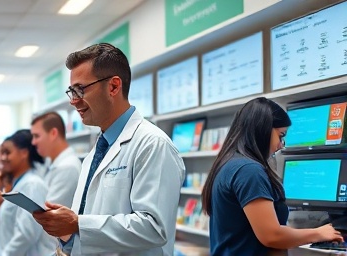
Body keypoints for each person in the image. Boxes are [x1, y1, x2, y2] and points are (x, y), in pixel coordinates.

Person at [32, 43, 185, 256]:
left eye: (80, 90)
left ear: (113, 87)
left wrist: (78, 223)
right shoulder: (98, 149)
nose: (74, 101)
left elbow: (154, 227)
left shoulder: (152, 144)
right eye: (71, 91)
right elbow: (94, 231)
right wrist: (68, 234)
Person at [201, 97, 343, 255]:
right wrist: (319, 233)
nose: (281, 145)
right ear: (263, 130)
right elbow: (271, 236)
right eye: (281, 135)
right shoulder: (249, 170)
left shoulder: (229, 163)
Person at [0, 129, 55, 256]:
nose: (2, 158)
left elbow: (27, 233)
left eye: (7, 152)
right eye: (2, 153)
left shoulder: (32, 184)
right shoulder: (19, 184)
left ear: (24, 153)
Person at [31, 112, 81, 208]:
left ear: (53, 133)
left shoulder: (67, 167)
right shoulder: (53, 163)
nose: (33, 142)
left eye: (36, 136)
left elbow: (49, 213)